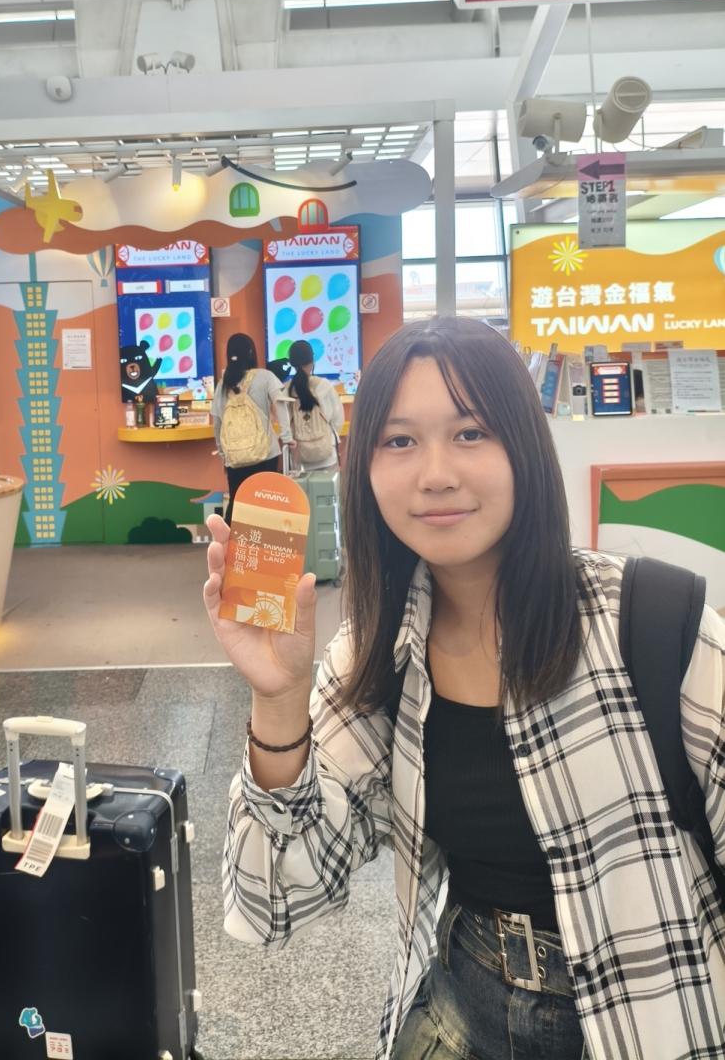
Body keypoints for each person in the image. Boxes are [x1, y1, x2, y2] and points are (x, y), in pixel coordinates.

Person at [202, 317, 725, 1060]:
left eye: (470, 433)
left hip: (659, 1021)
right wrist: (278, 699)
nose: (436, 474)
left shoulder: (652, 622)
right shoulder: (377, 654)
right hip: (461, 1016)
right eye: (399, 441)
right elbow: (274, 900)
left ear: (523, 448)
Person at [211, 333, 293, 523]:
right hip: (266, 454)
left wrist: (224, 455)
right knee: (267, 505)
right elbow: (281, 404)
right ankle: (266, 541)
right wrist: (287, 437)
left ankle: (233, 541)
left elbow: (218, 423)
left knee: (238, 504)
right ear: (251, 352)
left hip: (235, 458)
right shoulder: (265, 377)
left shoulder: (223, 385)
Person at [285, 339, 344, 473]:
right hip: (327, 455)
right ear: (312, 361)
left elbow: (285, 423)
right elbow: (338, 420)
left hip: (299, 458)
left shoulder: (286, 390)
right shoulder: (325, 385)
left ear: (292, 362)